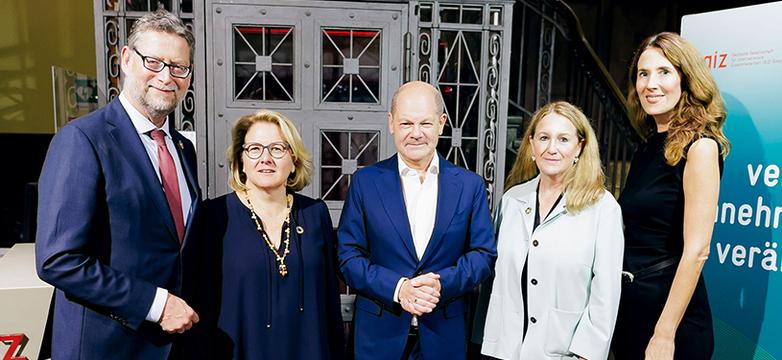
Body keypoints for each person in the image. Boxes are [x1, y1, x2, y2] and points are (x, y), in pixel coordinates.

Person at [35, 10, 200, 359]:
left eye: (178, 67)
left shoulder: (182, 149)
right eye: (154, 62)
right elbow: (58, 259)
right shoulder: (82, 140)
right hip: (106, 345)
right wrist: (156, 304)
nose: (167, 77)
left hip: (174, 346)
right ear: (125, 59)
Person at [338, 80, 497, 360]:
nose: (415, 134)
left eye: (425, 123)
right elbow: (348, 257)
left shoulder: (469, 185)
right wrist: (398, 288)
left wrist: (441, 284)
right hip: (379, 336)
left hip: (443, 337)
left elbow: (483, 254)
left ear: (441, 123)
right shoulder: (366, 182)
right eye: (405, 123)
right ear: (391, 123)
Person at [612, 32, 730, 360]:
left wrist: (665, 333)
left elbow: (697, 250)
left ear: (686, 80)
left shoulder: (701, 147)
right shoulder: (648, 147)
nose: (651, 83)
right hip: (634, 308)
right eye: (643, 73)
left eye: (664, 72)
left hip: (673, 322)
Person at [190, 110, 344, 359]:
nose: (266, 158)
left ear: (293, 159)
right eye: (254, 149)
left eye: (277, 148)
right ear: (240, 160)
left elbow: (329, 305)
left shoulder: (315, 214)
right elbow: (201, 304)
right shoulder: (212, 216)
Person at [480, 101, 624, 360]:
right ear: (532, 144)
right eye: (544, 138)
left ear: (579, 147)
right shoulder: (512, 200)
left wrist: (587, 354)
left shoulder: (603, 208)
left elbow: (606, 292)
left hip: (566, 352)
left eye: (563, 139)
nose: (552, 148)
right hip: (505, 349)